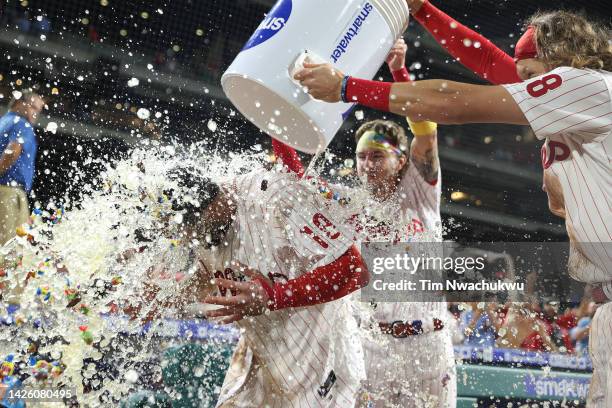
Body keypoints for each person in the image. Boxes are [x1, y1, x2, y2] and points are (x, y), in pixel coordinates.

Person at [295, 9, 611, 406]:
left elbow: (450, 102)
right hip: (375, 340)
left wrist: (346, 87)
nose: (523, 85)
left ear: (562, 60)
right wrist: (422, 9)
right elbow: (489, 61)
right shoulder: (578, 103)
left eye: (531, 76)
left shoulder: (586, 86)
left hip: (426, 339)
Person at [157, 166, 370, 408]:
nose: (189, 239)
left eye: (194, 231)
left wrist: (275, 296)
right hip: (261, 357)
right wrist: (163, 297)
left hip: (319, 352)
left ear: (213, 204)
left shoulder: (275, 195)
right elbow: (210, 276)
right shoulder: (197, 221)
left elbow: (356, 269)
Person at [0, 91, 45, 245]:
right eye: (34, 108)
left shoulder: (3, 122)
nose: (36, 114)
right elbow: (12, 150)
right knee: (9, 251)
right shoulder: (22, 123)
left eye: (39, 110)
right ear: (20, 103)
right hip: (9, 194)